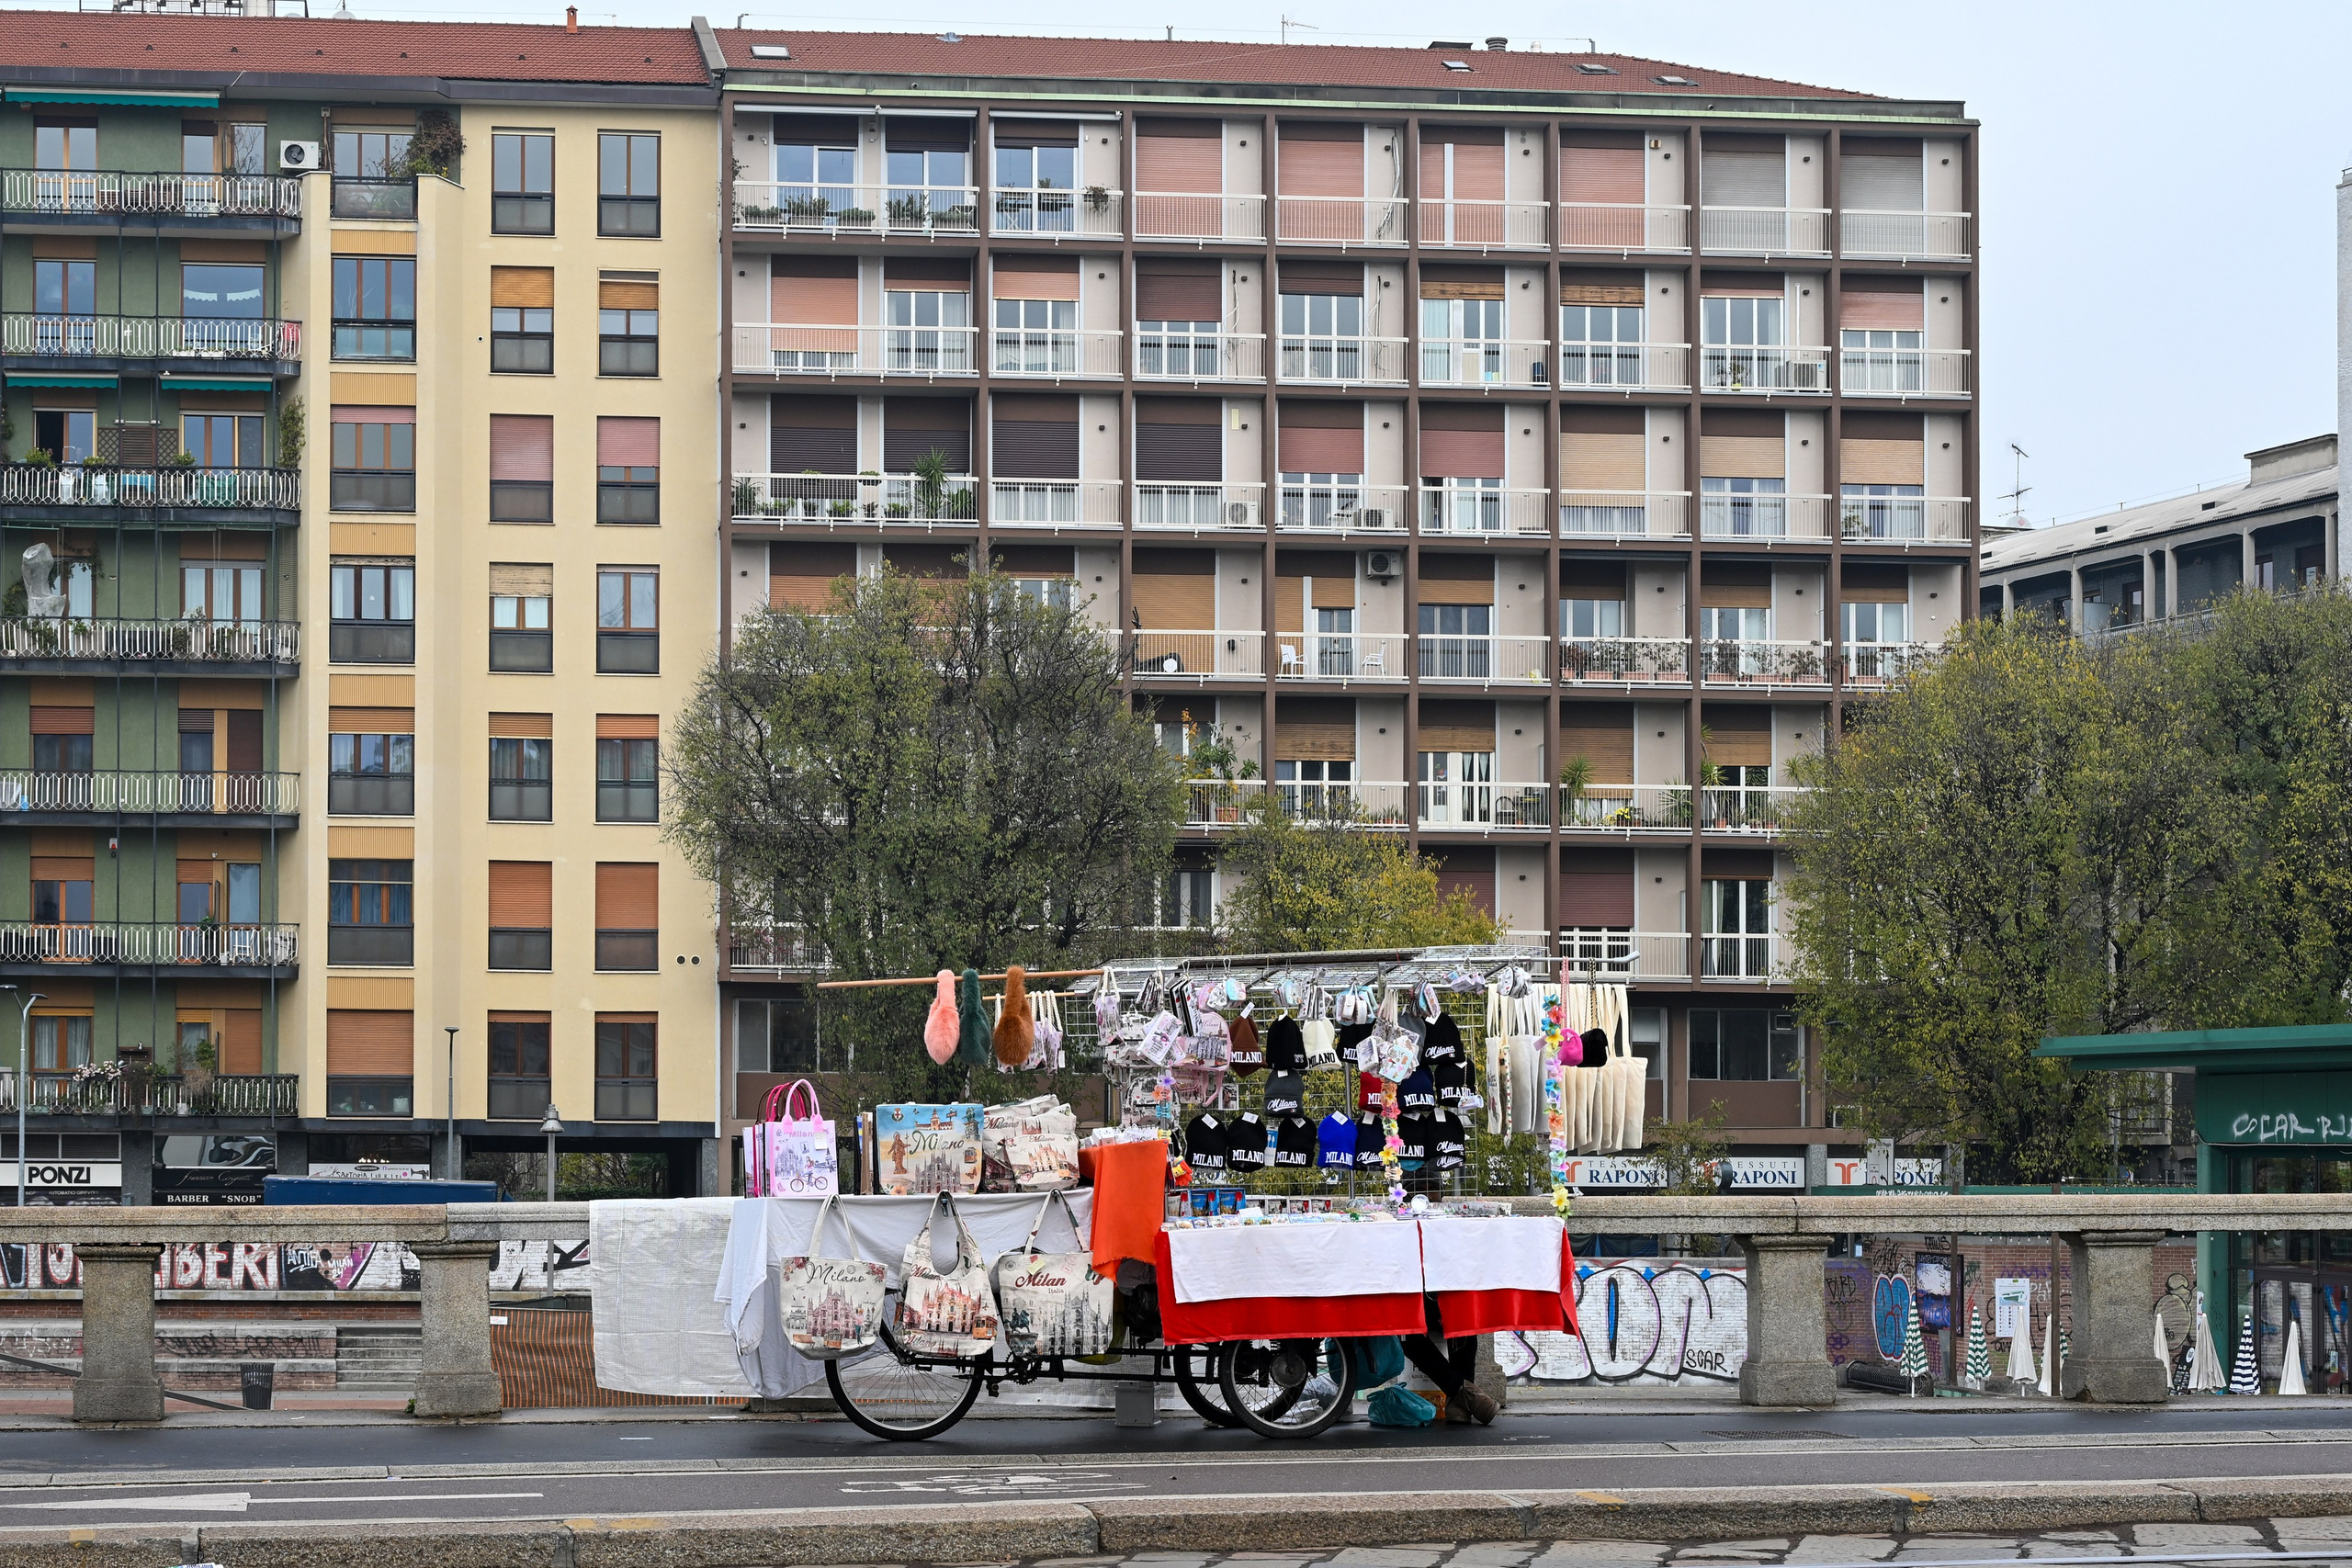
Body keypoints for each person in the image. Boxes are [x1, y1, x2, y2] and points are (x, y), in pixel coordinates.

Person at [1398, 1294, 1498, 1425]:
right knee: (1404, 1332)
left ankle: (1458, 1402)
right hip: (1415, 1302)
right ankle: (1464, 1394)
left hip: (1447, 1297)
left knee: (1463, 1313)